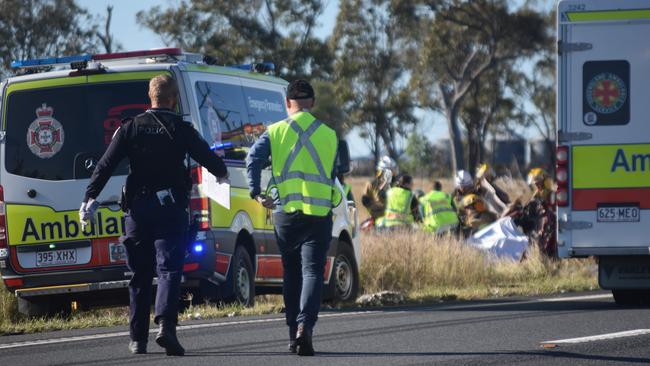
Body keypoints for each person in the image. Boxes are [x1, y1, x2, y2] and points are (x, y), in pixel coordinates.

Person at [78, 75, 228, 356]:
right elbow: (209, 159)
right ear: (173, 99)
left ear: (150, 97)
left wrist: (89, 196)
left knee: (139, 274)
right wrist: (222, 172)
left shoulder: (130, 128)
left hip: (137, 209)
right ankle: (165, 327)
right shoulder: (181, 129)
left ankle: (138, 340)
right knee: (169, 269)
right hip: (170, 208)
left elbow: (105, 165)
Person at [246, 79, 340, 356]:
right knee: (312, 271)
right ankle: (304, 329)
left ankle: (291, 335)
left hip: (284, 213)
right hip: (318, 214)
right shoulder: (330, 135)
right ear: (312, 103)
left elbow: (253, 159)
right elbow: (334, 173)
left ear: (287, 103)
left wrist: (256, 192)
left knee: (291, 272)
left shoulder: (274, 131)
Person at [360, 155, 398, 227]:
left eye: (394, 171)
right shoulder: (371, 184)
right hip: (379, 217)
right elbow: (366, 201)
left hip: (394, 219)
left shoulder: (398, 185)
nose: (393, 174)